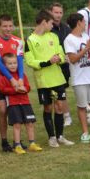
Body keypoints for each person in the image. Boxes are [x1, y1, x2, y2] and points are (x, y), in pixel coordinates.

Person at [24, 9, 73, 148]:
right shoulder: (30, 40)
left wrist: (60, 58)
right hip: (43, 81)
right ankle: (51, 137)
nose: (53, 25)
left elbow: (61, 54)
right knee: (48, 107)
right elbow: (30, 61)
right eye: (51, 23)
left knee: (59, 107)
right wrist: (47, 62)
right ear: (44, 22)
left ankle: (60, 136)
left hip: (57, 78)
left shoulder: (53, 36)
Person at [0, 15, 25, 153]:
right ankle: (4, 141)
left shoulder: (18, 41)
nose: (8, 29)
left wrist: (20, 78)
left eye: (10, 26)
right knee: (3, 110)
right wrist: (11, 79)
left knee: (16, 110)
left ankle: (17, 141)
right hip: (1, 82)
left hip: (16, 83)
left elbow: (20, 61)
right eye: (5, 26)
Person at [63, 13, 90, 143]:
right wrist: (86, 49)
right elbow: (73, 59)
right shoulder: (69, 39)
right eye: (84, 22)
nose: (85, 24)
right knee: (82, 106)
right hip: (79, 78)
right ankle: (85, 133)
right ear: (78, 22)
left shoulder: (86, 36)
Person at [0, 53, 41, 154]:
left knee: (29, 123)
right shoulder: (3, 77)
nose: (13, 65)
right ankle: (17, 145)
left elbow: (28, 87)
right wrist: (15, 89)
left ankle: (32, 143)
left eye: (15, 63)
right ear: (4, 65)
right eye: (10, 64)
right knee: (17, 125)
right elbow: (3, 90)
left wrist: (25, 88)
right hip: (13, 104)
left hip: (25, 103)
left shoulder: (22, 75)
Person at [48, 2, 74, 129]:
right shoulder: (47, 29)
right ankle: (66, 115)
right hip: (53, 65)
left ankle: (67, 114)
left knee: (65, 90)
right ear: (50, 13)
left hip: (66, 64)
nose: (58, 15)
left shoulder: (66, 28)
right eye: (55, 12)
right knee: (59, 92)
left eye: (60, 12)